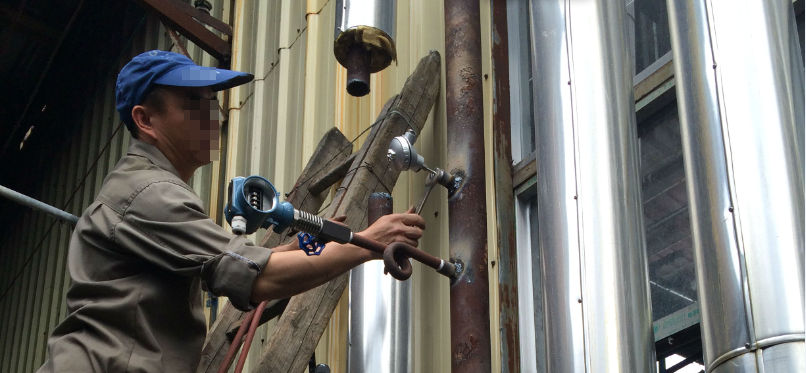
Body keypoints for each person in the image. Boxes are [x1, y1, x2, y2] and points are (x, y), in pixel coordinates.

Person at [37, 51, 425, 373]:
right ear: (145, 120)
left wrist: (309, 245)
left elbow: (248, 262)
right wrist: (370, 243)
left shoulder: (145, 188)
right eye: (194, 103)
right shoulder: (149, 193)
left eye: (212, 101)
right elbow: (257, 278)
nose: (214, 115)